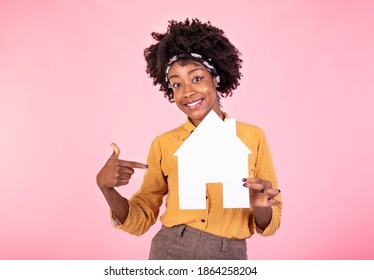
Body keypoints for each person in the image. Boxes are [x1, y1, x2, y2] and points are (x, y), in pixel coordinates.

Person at [96, 18, 282, 260]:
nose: (187, 92)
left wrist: (261, 206)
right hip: (171, 250)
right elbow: (140, 218)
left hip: (230, 255)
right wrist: (106, 189)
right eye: (176, 84)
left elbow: (270, 223)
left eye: (196, 78)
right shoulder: (164, 144)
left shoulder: (252, 136)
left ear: (215, 78)